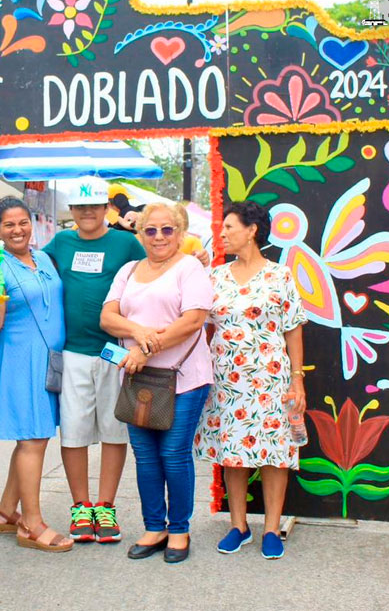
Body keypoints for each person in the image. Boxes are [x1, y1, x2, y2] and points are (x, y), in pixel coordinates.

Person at [100, 202, 212, 564]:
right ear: (141, 233)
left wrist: (144, 349)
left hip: (183, 378)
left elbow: (192, 321)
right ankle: (154, 527)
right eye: (151, 230)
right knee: (145, 457)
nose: (159, 236)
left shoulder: (190, 268)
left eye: (167, 229)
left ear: (180, 233)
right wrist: (138, 333)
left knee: (173, 455)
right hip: (137, 379)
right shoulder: (129, 270)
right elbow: (107, 317)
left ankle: (179, 528)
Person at [195, 201, 307, 560]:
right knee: (233, 453)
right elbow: (199, 323)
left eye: (229, 227)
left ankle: (271, 529)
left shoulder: (280, 276)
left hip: (271, 379)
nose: (222, 234)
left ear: (252, 230)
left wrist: (297, 381)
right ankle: (238, 526)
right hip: (226, 379)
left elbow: (293, 331)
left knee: (275, 453)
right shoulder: (214, 276)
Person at [43, 177, 145, 544]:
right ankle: (80, 506)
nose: (88, 213)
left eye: (95, 206)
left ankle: (106, 506)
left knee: (115, 431)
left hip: (115, 351)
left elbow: (151, 278)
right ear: (72, 211)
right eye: (81, 207)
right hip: (72, 351)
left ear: (107, 209)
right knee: (74, 431)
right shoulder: (60, 243)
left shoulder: (125, 243)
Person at [0, 197, 72, 553]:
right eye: (8, 225)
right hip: (19, 359)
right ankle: (31, 523)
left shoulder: (44, 258)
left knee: (35, 438)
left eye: (22, 223)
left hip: (49, 360)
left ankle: (5, 512)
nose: (17, 230)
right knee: (32, 440)